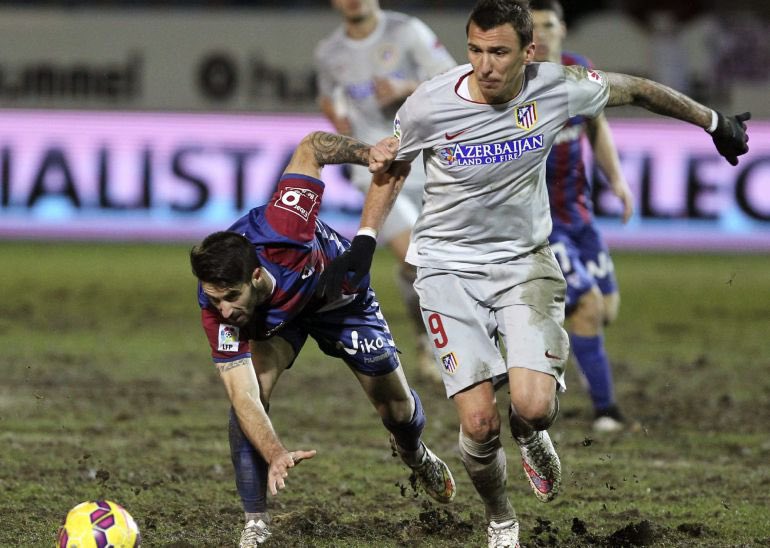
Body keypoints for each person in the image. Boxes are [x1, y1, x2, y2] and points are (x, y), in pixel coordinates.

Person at [315, 1, 750, 546]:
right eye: (475, 50)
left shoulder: (558, 86)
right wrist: (365, 239)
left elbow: (638, 88)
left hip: (524, 265)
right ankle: (501, 520)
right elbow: (392, 168)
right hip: (448, 271)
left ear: (530, 52)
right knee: (477, 425)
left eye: (499, 52)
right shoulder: (430, 102)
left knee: (533, 407)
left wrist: (714, 122)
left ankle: (531, 433)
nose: (485, 65)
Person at [190, 131, 456, 547]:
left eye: (230, 297)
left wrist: (368, 154)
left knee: (397, 410)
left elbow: (312, 147)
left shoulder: (286, 225)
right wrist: (276, 452)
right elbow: (242, 398)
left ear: (256, 276)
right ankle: (255, 522)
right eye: (214, 299)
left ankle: (416, 453)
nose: (223, 311)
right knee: (251, 398)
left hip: (338, 299)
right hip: (277, 322)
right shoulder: (218, 307)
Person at [314, 0, 457, 380]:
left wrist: (406, 87)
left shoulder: (407, 30)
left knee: (441, 263)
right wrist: (344, 129)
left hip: (432, 163)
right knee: (415, 258)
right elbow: (327, 95)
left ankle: (434, 338)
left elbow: (454, 79)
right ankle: (437, 347)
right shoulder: (330, 52)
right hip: (377, 171)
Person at [530, 0, 635, 432]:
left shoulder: (579, 70)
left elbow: (597, 126)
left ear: (563, 29)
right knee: (588, 309)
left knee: (606, 309)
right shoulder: (514, 84)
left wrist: (617, 180)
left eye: (547, 25)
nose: (539, 34)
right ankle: (606, 410)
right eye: (530, 26)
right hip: (541, 225)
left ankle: (531, 343)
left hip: (581, 216)